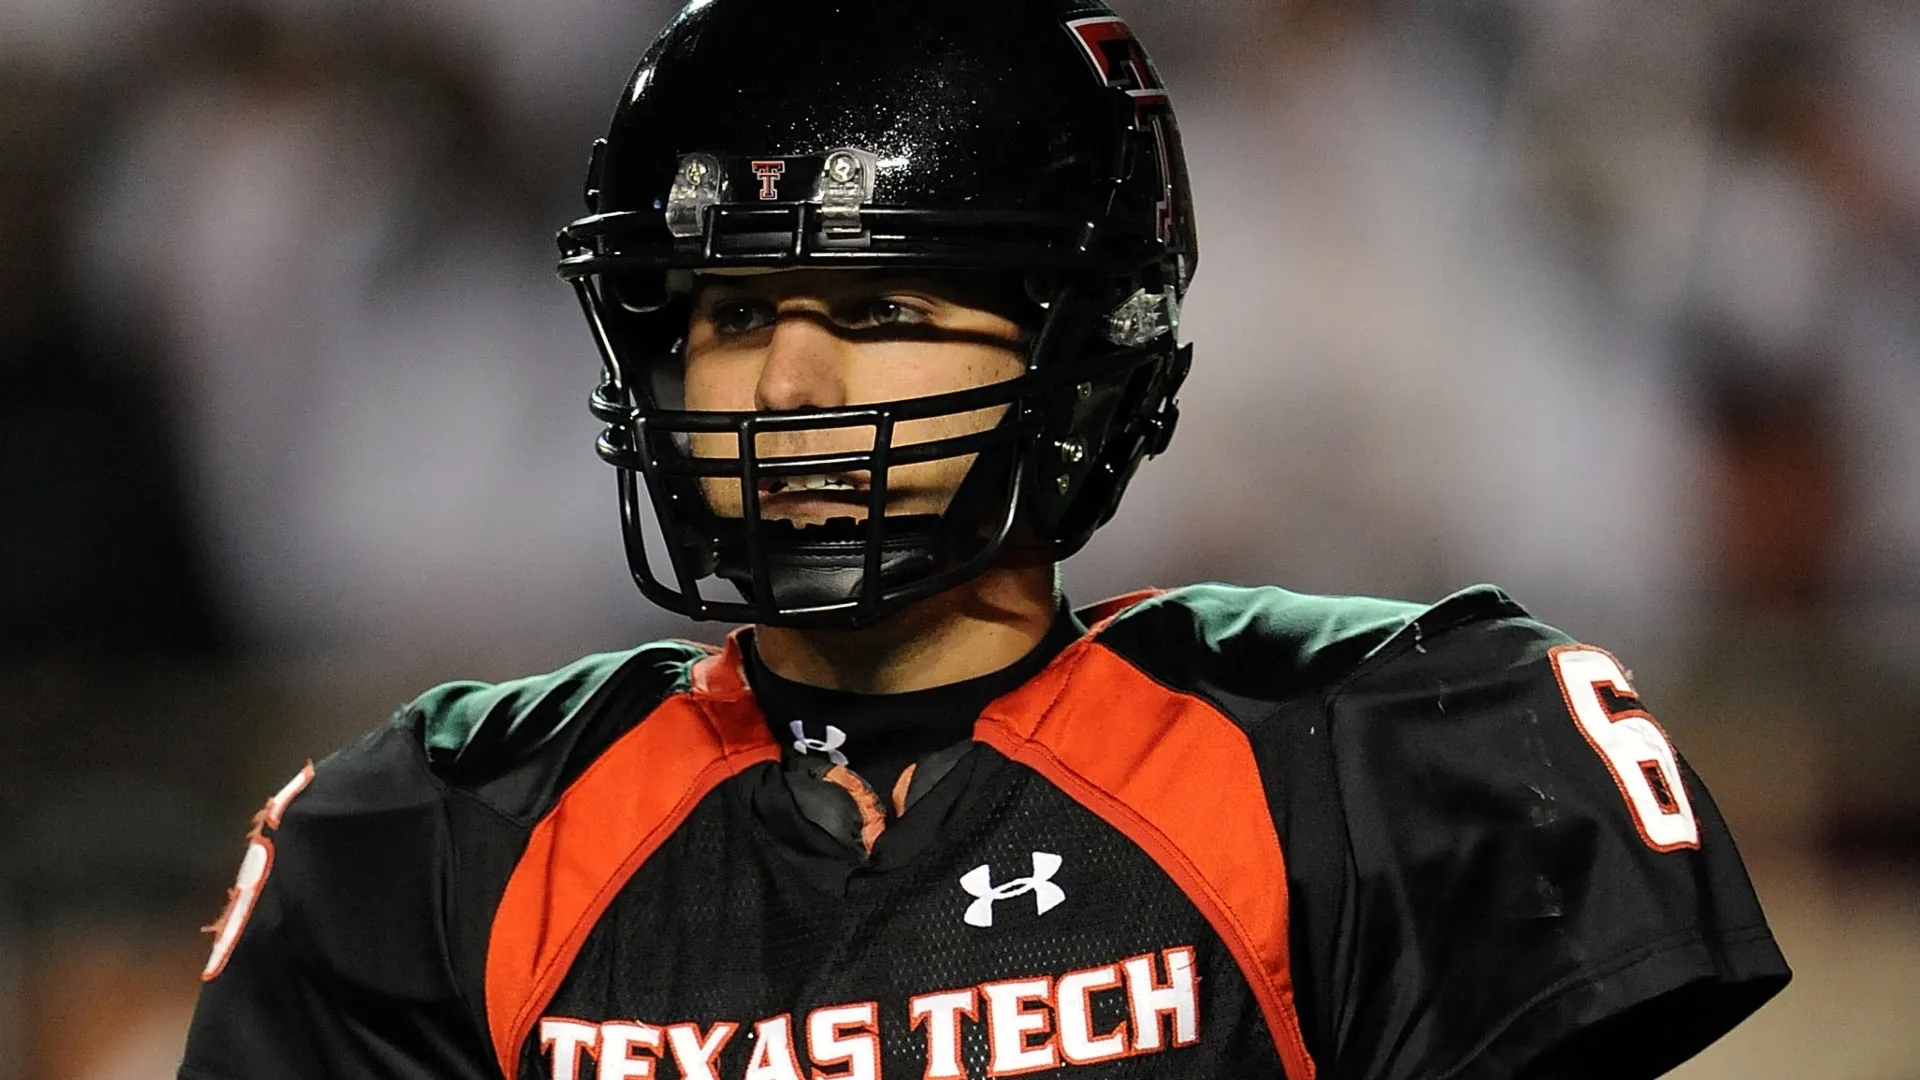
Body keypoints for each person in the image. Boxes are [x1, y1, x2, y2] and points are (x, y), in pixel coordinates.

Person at [177, 2, 1789, 1078]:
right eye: (733, 312)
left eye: (877, 307)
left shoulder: (1371, 760)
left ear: (1076, 350)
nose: (787, 386)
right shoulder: (444, 838)